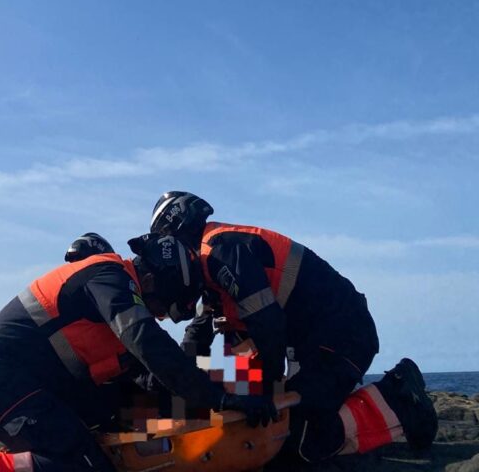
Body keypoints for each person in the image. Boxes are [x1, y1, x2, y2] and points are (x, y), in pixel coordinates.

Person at [149, 191, 438, 463]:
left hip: (342, 335)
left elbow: (267, 323)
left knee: (298, 436)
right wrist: (174, 384)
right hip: (311, 338)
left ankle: (400, 398)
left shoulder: (221, 251)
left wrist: (269, 396)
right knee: (265, 413)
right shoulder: (211, 265)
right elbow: (199, 332)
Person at [0, 232, 278, 472]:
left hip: (38, 386)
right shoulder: (107, 276)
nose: (159, 317)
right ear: (151, 279)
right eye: (159, 309)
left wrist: (227, 397)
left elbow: (155, 378)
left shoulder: (111, 317)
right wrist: (216, 398)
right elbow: (148, 341)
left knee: (120, 435)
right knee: (85, 464)